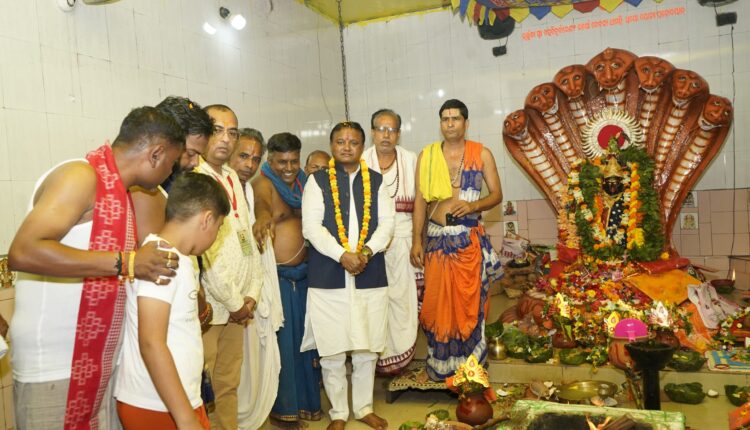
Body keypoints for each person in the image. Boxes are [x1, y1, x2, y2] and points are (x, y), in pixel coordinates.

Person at [8, 106, 184, 429]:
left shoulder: (120, 196)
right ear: (157, 154)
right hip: (53, 367)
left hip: (97, 362)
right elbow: (23, 250)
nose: (170, 173)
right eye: (172, 163)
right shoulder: (82, 175)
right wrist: (127, 262)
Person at [115, 172, 229, 430]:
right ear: (207, 219)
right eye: (219, 228)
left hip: (176, 400)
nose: (215, 238)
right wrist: (186, 418)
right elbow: (151, 342)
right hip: (156, 403)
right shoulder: (161, 258)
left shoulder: (177, 258)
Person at [301, 121, 394, 430]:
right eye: (340, 141)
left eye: (353, 142)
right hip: (328, 273)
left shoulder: (377, 181)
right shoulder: (317, 181)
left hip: (370, 271)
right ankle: (339, 412)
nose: (346, 146)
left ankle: (364, 407)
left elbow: (387, 225)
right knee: (332, 347)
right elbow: (311, 227)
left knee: (367, 346)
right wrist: (341, 255)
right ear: (332, 146)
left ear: (361, 147)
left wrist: (365, 252)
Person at [411, 99, 503, 381]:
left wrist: (474, 206)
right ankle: (439, 367)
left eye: (455, 118)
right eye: (445, 119)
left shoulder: (482, 154)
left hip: (468, 241)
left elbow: (496, 195)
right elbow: (419, 202)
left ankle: (471, 369)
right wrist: (417, 240)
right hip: (437, 242)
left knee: (469, 306)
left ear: (466, 123)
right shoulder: (427, 156)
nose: (449, 123)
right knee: (437, 306)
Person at [196, 104, 263, 430]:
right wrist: (236, 302)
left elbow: (247, 237)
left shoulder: (233, 177)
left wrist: (252, 291)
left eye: (232, 132)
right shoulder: (194, 178)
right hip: (212, 307)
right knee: (202, 385)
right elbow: (203, 255)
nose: (225, 138)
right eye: (217, 129)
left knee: (227, 382)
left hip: (239, 304)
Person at [253, 132, 323, 428]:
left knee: (307, 345)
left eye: (294, 160)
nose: (289, 167)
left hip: (308, 276)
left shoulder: (305, 183)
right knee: (284, 346)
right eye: (282, 161)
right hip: (280, 280)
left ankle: (308, 405)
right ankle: (284, 412)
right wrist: (262, 218)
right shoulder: (264, 184)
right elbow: (262, 206)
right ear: (270, 160)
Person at [362, 109, 420, 375]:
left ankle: (400, 359)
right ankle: (374, 362)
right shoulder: (360, 161)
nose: (386, 135)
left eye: (391, 130)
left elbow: (422, 203)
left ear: (399, 133)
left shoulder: (411, 160)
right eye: (381, 129)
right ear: (372, 132)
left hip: (405, 239)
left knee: (403, 301)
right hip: (369, 245)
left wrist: (419, 241)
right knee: (373, 302)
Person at [131, 96, 214, 242]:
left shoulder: (176, 182)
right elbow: (158, 259)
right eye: (190, 153)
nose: (195, 163)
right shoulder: (142, 190)